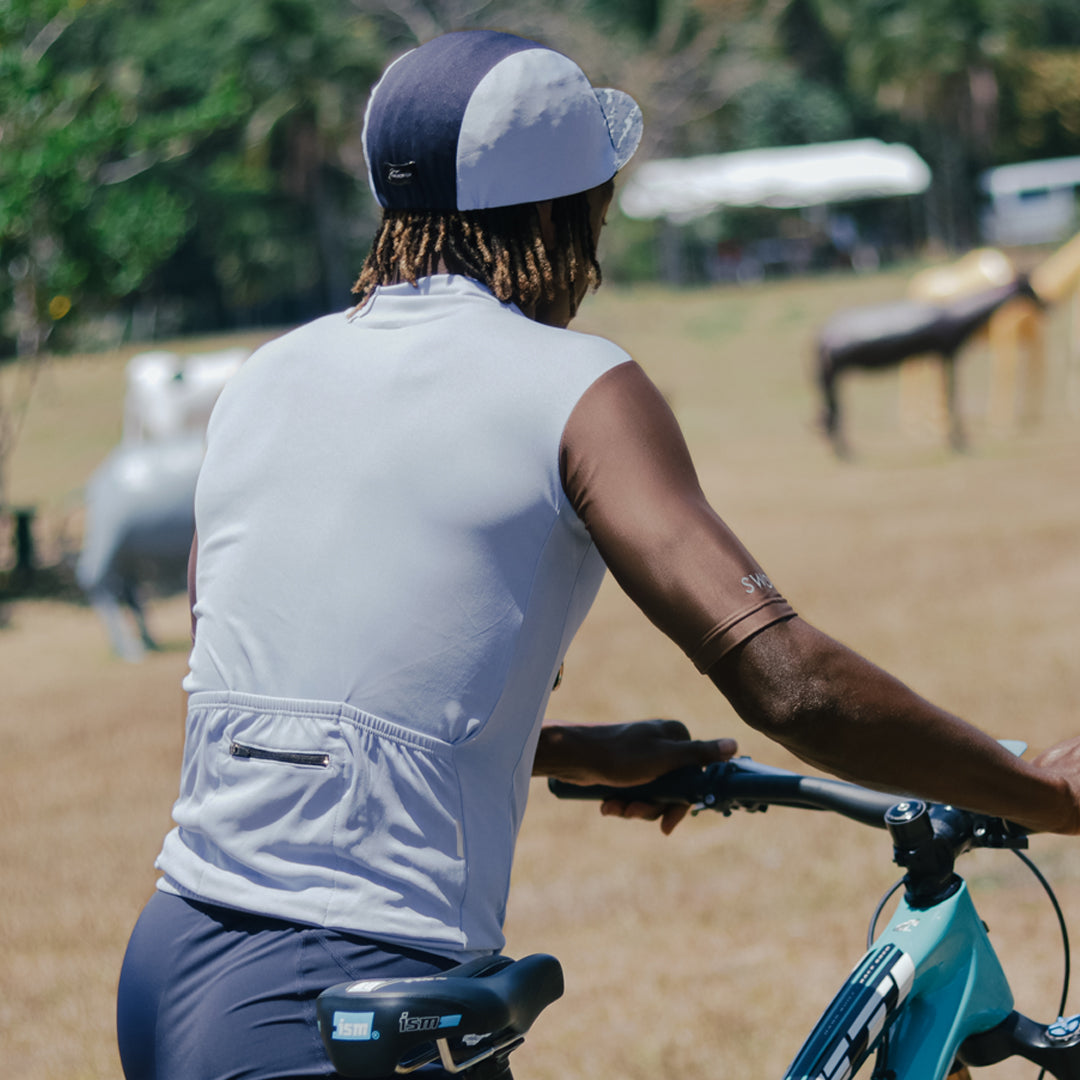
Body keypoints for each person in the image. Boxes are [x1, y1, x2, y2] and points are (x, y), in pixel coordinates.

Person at [116, 28, 1080, 1080]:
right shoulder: (576, 385)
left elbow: (275, 700)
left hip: (174, 964)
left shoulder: (265, 378)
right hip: (349, 994)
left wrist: (574, 749)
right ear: (555, 213)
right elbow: (788, 682)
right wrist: (1037, 789)